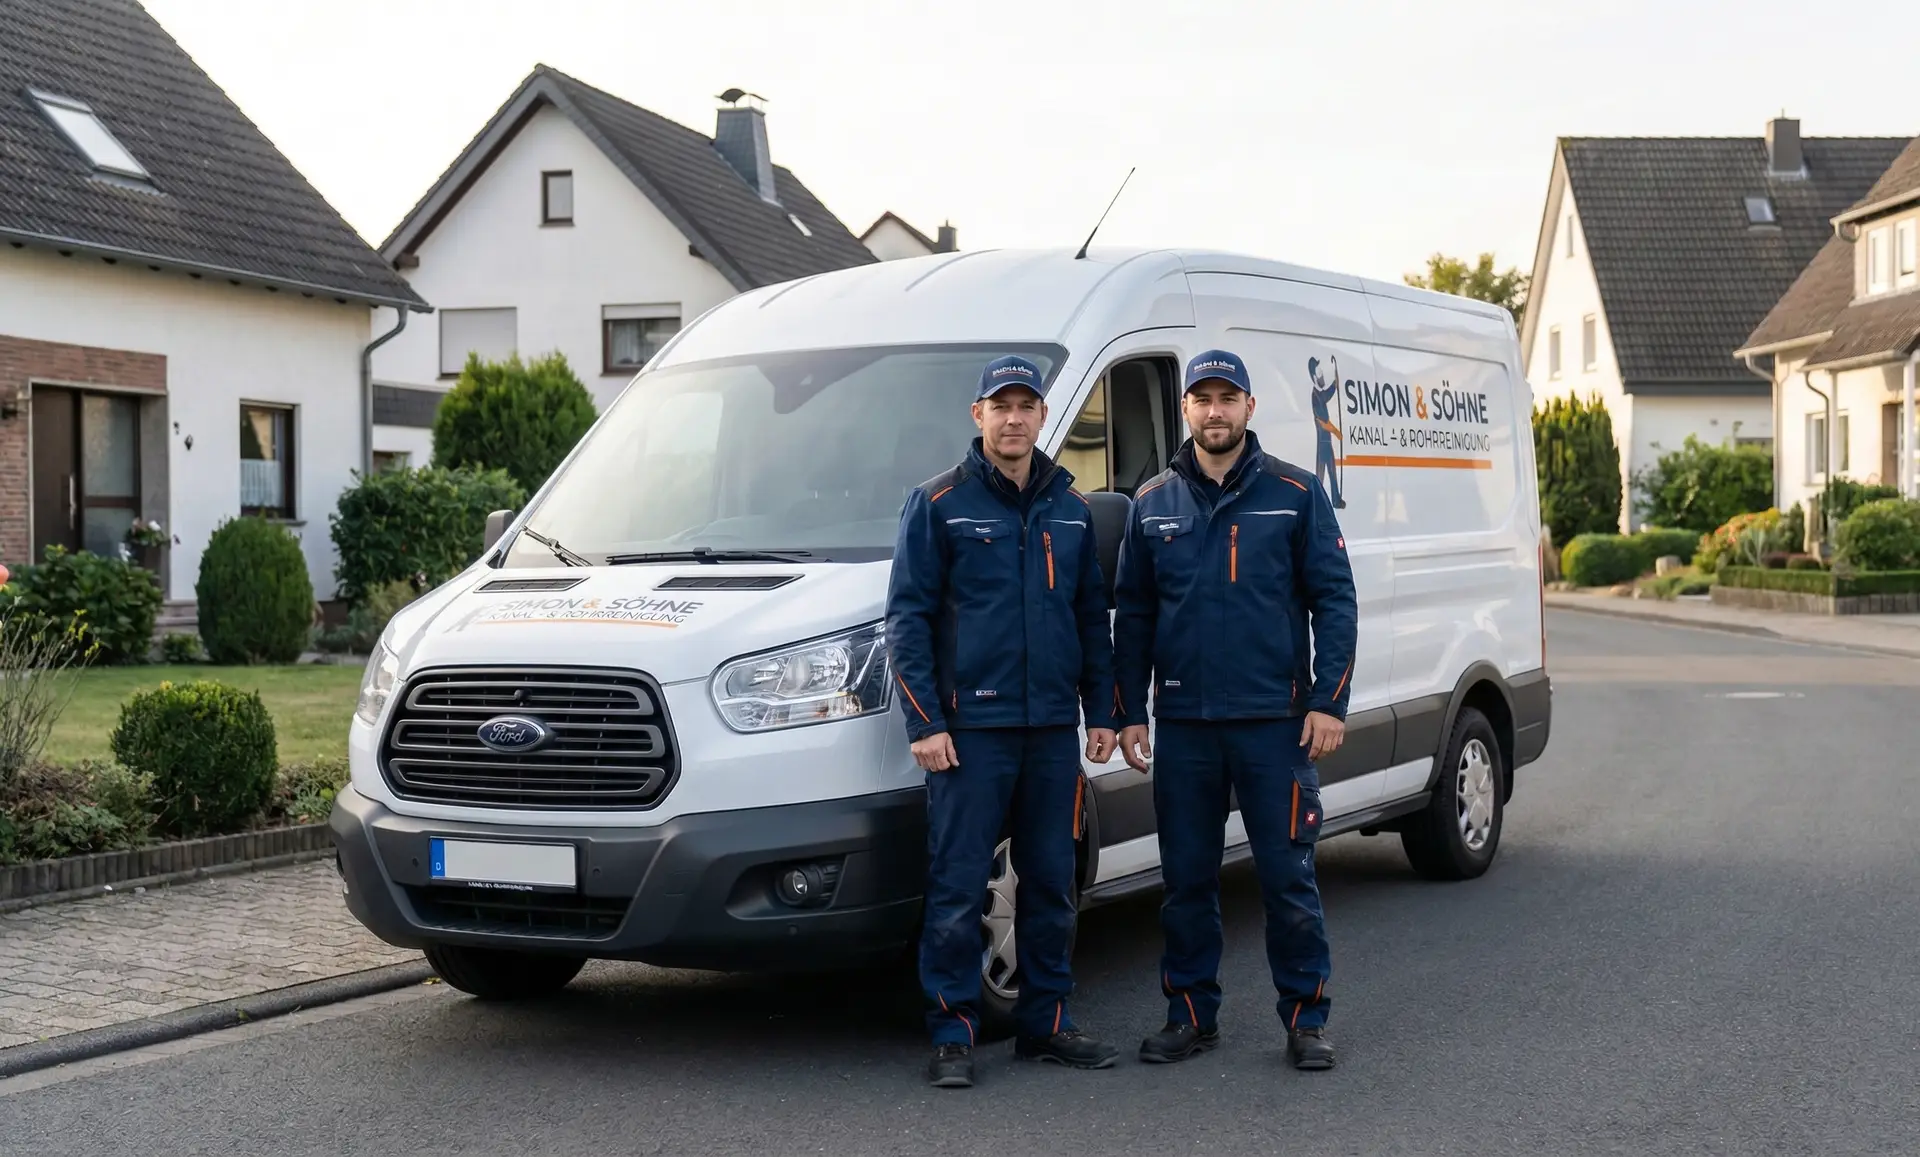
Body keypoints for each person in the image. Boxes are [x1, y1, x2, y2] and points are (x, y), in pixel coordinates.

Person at [1113, 349, 1358, 1071]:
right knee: (1186, 882)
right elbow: (1134, 614)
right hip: (1185, 727)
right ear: (1185, 408)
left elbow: (1335, 601)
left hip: (1274, 726)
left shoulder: (1294, 492)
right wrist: (1130, 712)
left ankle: (1307, 1020)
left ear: (1250, 406)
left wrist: (1328, 701)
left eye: (1228, 397)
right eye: (1202, 398)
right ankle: (1191, 1014)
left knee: (1287, 879)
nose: (1214, 410)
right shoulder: (1152, 502)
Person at [886, 354, 1122, 1089]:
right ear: (978, 415)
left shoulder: (1070, 509)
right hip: (970, 735)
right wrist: (925, 723)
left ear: (1043, 416)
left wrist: (1102, 710)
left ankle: (1045, 1024)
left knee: (1051, 882)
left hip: (1050, 730)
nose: (1013, 418)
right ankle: (953, 1033)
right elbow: (907, 620)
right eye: (1001, 406)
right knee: (958, 887)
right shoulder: (937, 503)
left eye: (1026, 406)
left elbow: (1090, 617)